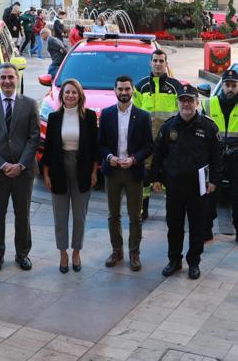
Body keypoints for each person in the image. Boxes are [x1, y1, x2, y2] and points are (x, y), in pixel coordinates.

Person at [151, 86, 223, 279]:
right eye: (183, 100)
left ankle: (194, 263)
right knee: (174, 226)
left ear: (197, 103)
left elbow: (217, 156)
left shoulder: (208, 127)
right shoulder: (168, 127)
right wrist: (156, 178)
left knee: (196, 226)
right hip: (174, 186)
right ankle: (174, 260)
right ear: (178, 103)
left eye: (190, 100)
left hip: (198, 187)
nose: (186, 104)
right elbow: (158, 154)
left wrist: (214, 181)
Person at [0, 63, 41, 273]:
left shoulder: (31, 104)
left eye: (10, 78)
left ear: (17, 79)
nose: (7, 81)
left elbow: (34, 138)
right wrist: (3, 165)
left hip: (24, 172)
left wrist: (21, 164)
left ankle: (22, 254)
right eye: (3, 77)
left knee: (22, 215)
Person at [40, 78, 99, 273]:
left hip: (82, 169)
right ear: (62, 95)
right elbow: (48, 148)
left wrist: (93, 172)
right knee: (60, 216)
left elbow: (94, 149)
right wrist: (46, 174)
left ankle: (76, 252)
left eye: (74, 92)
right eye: (67, 92)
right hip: (59, 168)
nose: (70, 96)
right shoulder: (55, 118)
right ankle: (63, 253)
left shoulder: (89, 117)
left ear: (80, 95)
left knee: (79, 217)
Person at [98, 75, 154, 270]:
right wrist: (109, 158)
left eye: (127, 89)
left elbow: (149, 146)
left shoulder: (143, 116)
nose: (123, 93)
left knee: (135, 216)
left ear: (132, 91)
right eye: (120, 89)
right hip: (112, 172)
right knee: (113, 215)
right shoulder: (106, 114)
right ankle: (117, 251)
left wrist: (134, 159)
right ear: (115, 90)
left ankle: (134, 252)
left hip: (133, 172)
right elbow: (101, 144)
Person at [200, 68, 238, 247]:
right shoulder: (208, 104)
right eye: (227, 85)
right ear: (222, 86)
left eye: (234, 85)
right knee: (210, 196)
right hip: (215, 159)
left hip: (237, 159)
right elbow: (202, 132)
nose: (230, 89)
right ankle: (206, 229)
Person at [136, 49, 184, 220]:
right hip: (147, 140)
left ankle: (172, 212)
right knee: (145, 178)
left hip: (169, 142)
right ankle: (143, 210)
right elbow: (134, 114)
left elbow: (183, 113)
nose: (158, 64)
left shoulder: (175, 86)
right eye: (155, 60)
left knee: (169, 176)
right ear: (150, 63)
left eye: (161, 61)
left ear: (166, 64)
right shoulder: (140, 86)